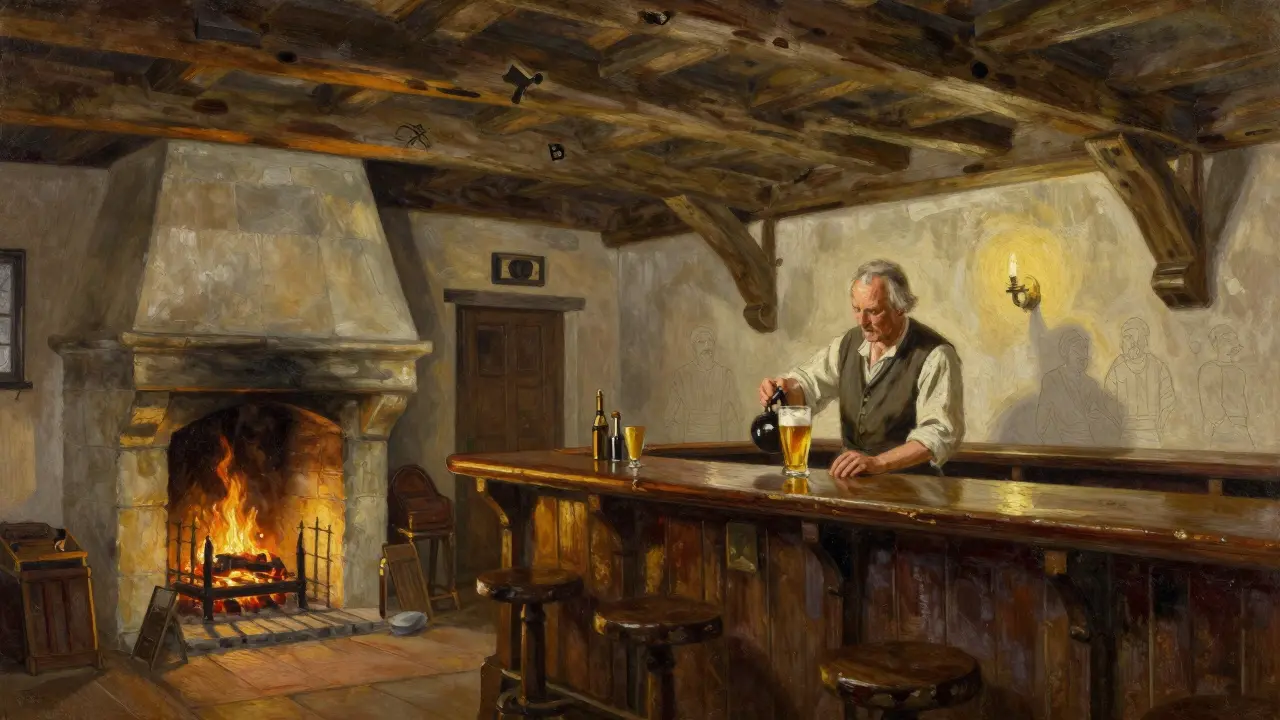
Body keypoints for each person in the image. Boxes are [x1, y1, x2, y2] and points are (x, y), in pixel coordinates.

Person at [758, 259, 964, 479]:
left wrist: (878, 463)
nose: (863, 321)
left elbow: (939, 434)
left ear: (900, 309)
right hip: (854, 481)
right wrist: (786, 388)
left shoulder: (935, 354)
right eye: (857, 309)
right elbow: (808, 386)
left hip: (913, 486)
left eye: (873, 311)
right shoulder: (847, 344)